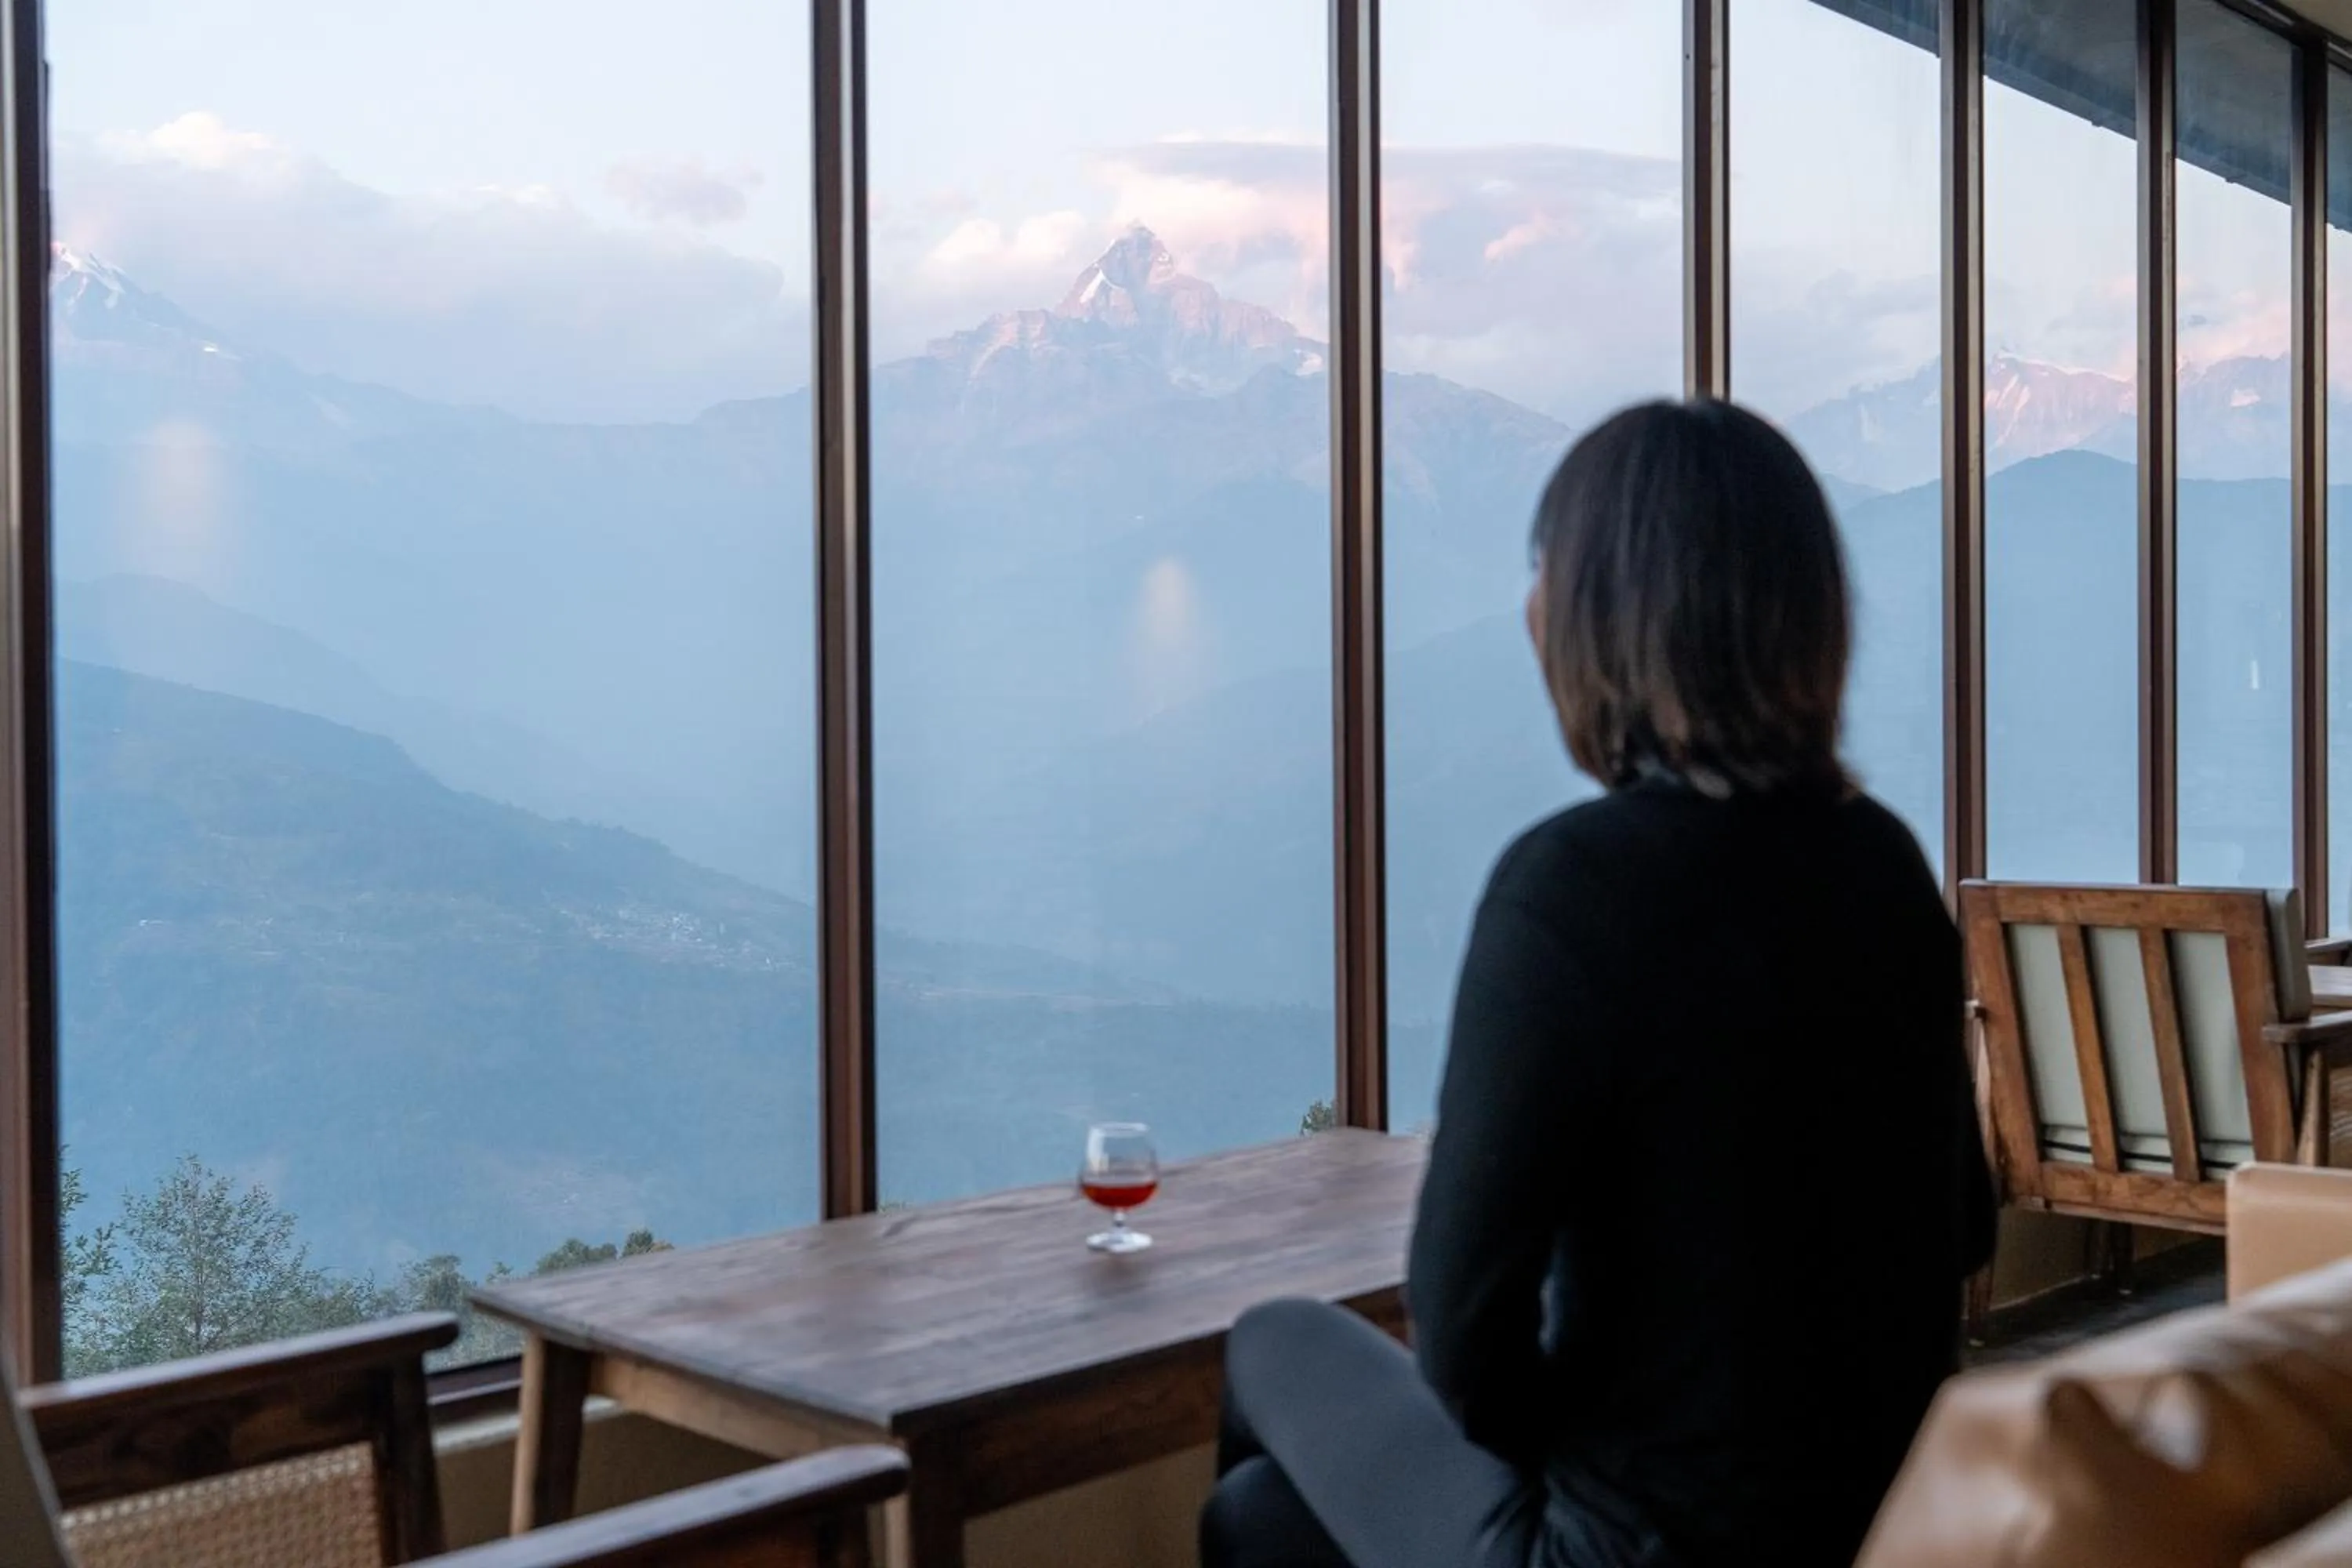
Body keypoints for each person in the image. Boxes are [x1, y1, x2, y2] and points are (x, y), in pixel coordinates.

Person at [1200, 399, 1997, 1568]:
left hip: (1629, 1550)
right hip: (1875, 1528)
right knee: (1259, 1516)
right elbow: (1965, 1223)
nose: (1527, 606)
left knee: (1274, 1341)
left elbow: (1461, 1331)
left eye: (1544, 572)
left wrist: (1583, 1462)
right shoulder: (1881, 860)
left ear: (1594, 619)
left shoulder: (1572, 885)